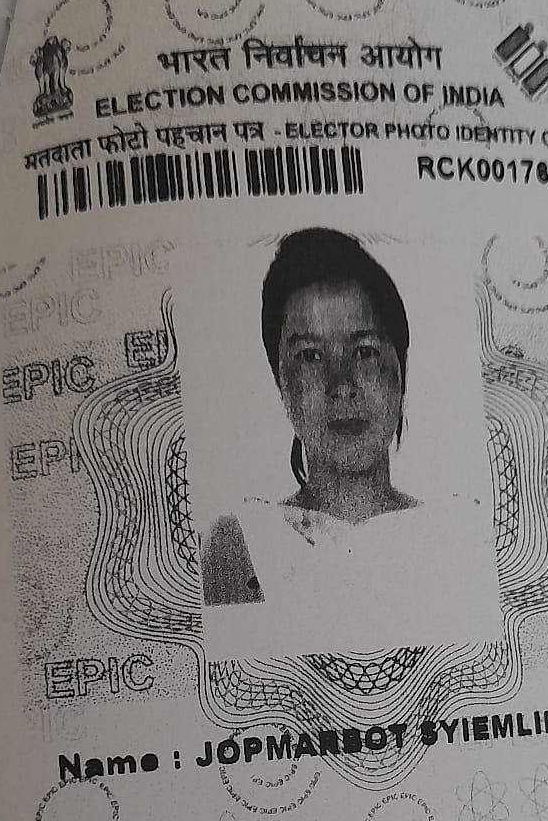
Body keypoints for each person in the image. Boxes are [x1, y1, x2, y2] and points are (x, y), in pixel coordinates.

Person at [200, 227, 499, 655]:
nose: (341, 385)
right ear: (281, 381)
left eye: (364, 352)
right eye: (310, 356)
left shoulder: (462, 539)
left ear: (401, 370)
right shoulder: (238, 546)